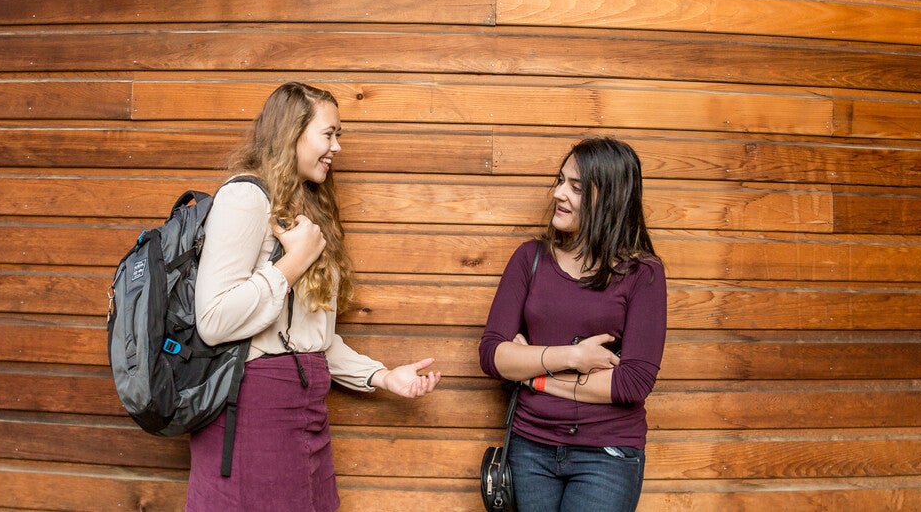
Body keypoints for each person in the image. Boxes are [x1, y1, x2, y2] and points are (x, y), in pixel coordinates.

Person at [189, 82, 442, 511]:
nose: (337, 147)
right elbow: (213, 321)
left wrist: (381, 376)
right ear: (292, 133)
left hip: (305, 409)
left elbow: (311, 339)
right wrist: (293, 263)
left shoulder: (307, 209)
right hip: (253, 407)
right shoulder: (245, 198)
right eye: (329, 134)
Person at [477, 137, 667, 512]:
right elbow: (492, 355)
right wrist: (574, 356)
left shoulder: (642, 273)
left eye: (576, 188)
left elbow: (632, 383)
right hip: (529, 448)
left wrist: (532, 374)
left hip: (607, 454)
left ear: (610, 199)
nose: (559, 193)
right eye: (561, 180)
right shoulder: (529, 258)